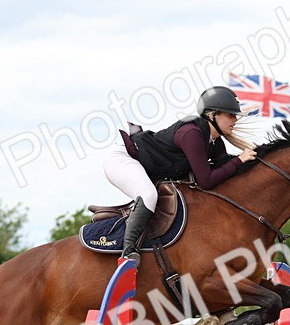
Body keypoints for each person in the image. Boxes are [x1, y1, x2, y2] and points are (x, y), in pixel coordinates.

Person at [103, 86, 258, 262]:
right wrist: (239, 160)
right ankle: (128, 253)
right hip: (122, 158)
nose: (235, 120)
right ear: (212, 115)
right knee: (148, 194)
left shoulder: (213, 142)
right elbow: (206, 181)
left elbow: (224, 169)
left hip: (143, 163)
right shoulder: (192, 134)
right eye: (230, 115)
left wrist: (250, 159)